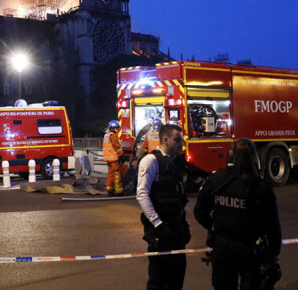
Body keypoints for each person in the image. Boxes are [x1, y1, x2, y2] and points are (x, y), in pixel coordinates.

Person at [194, 139, 281, 290]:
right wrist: (273, 253)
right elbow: (272, 224)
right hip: (250, 249)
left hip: (222, 247)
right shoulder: (260, 185)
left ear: (231, 154)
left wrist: (214, 227)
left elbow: (199, 211)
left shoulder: (216, 180)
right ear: (254, 156)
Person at [136, 124, 190, 290]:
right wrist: (157, 224)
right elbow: (142, 194)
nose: (181, 143)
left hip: (176, 228)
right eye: (177, 139)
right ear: (165, 139)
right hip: (160, 231)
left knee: (177, 276)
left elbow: (179, 197)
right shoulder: (151, 161)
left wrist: (184, 224)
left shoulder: (177, 162)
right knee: (158, 280)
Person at [103, 120, 127, 196]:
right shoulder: (113, 136)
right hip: (114, 158)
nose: (117, 129)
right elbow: (117, 147)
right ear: (112, 128)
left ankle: (109, 190)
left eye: (118, 128)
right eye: (116, 128)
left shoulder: (106, 135)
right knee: (117, 174)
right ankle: (119, 191)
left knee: (110, 174)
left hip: (108, 158)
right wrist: (122, 155)